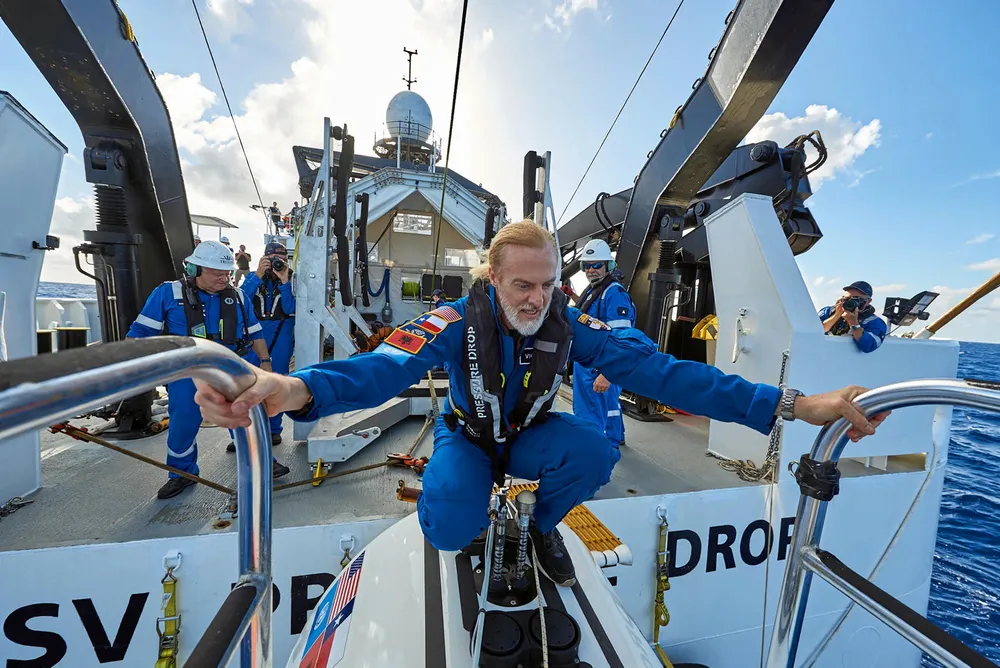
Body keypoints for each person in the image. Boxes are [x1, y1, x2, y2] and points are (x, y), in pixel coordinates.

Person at [193, 221, 888, 586]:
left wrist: (797, 405)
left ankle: (539, 527)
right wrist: (293, 390)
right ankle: (471, 524)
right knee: (450, 524)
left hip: (530, 436)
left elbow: (668, 375)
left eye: (549, 284)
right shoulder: (452, 322)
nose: (537, 298)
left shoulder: (570, 325)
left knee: (593, 450)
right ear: (492, 278)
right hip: (467, 437)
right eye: (523, 285)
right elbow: (381, 367)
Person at [126, 240, 291, 499]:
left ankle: (262, 461)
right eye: (217, 274)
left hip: (231, 367)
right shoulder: (168, 293)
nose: (224, 279)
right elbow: (141, 332)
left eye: (227, 273)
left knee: (245, 415)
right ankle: (181, 474)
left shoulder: (238, 296)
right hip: (188, 371)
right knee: (183, 421)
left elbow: (255, 332)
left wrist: (265, 362)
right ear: (195, 270)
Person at [571, 239, 635, 448]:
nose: (591, 270)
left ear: (608, 266)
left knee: (595, 412)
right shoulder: (594, 290)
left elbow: (622, 337)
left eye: (597, 265)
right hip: (588, 365)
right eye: (587, 265)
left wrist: (608, 374)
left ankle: (597, 450)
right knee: (603, 409)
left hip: (601, 368)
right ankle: (612, 439)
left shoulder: (614, 294)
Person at [232, 241, 295, 448]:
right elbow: (240, 301)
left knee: (278, 380)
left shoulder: (292, 280)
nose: (278, 262)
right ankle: (245, 432)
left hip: (281, 332)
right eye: (273, 259)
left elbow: (291, 308)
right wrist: (258, 274)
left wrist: (284, 281)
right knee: (248, 381)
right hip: (254, 333)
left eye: (282, 259)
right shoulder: (254, 277)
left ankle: (273, 429)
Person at [819, 281, 887, 354]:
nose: (851, 302)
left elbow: (868, 346)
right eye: (847, 299)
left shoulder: (874, 322)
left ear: (868, 301)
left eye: (857, 300)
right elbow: (815, 331)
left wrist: (854, 323)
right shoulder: (828, 311)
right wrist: (836, 316)